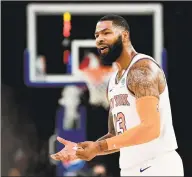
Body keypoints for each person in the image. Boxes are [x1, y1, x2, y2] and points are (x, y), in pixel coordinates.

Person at [51, 15, 184, 176]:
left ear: (125, 35)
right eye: (97, 35)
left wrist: (99, 147)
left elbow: (150, 128)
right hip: (131, 168)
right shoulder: (113, 81)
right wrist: (87, 149)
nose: (100, 39)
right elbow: (115, 135)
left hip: (156, 165)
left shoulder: (142, 70)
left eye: (106, 33)